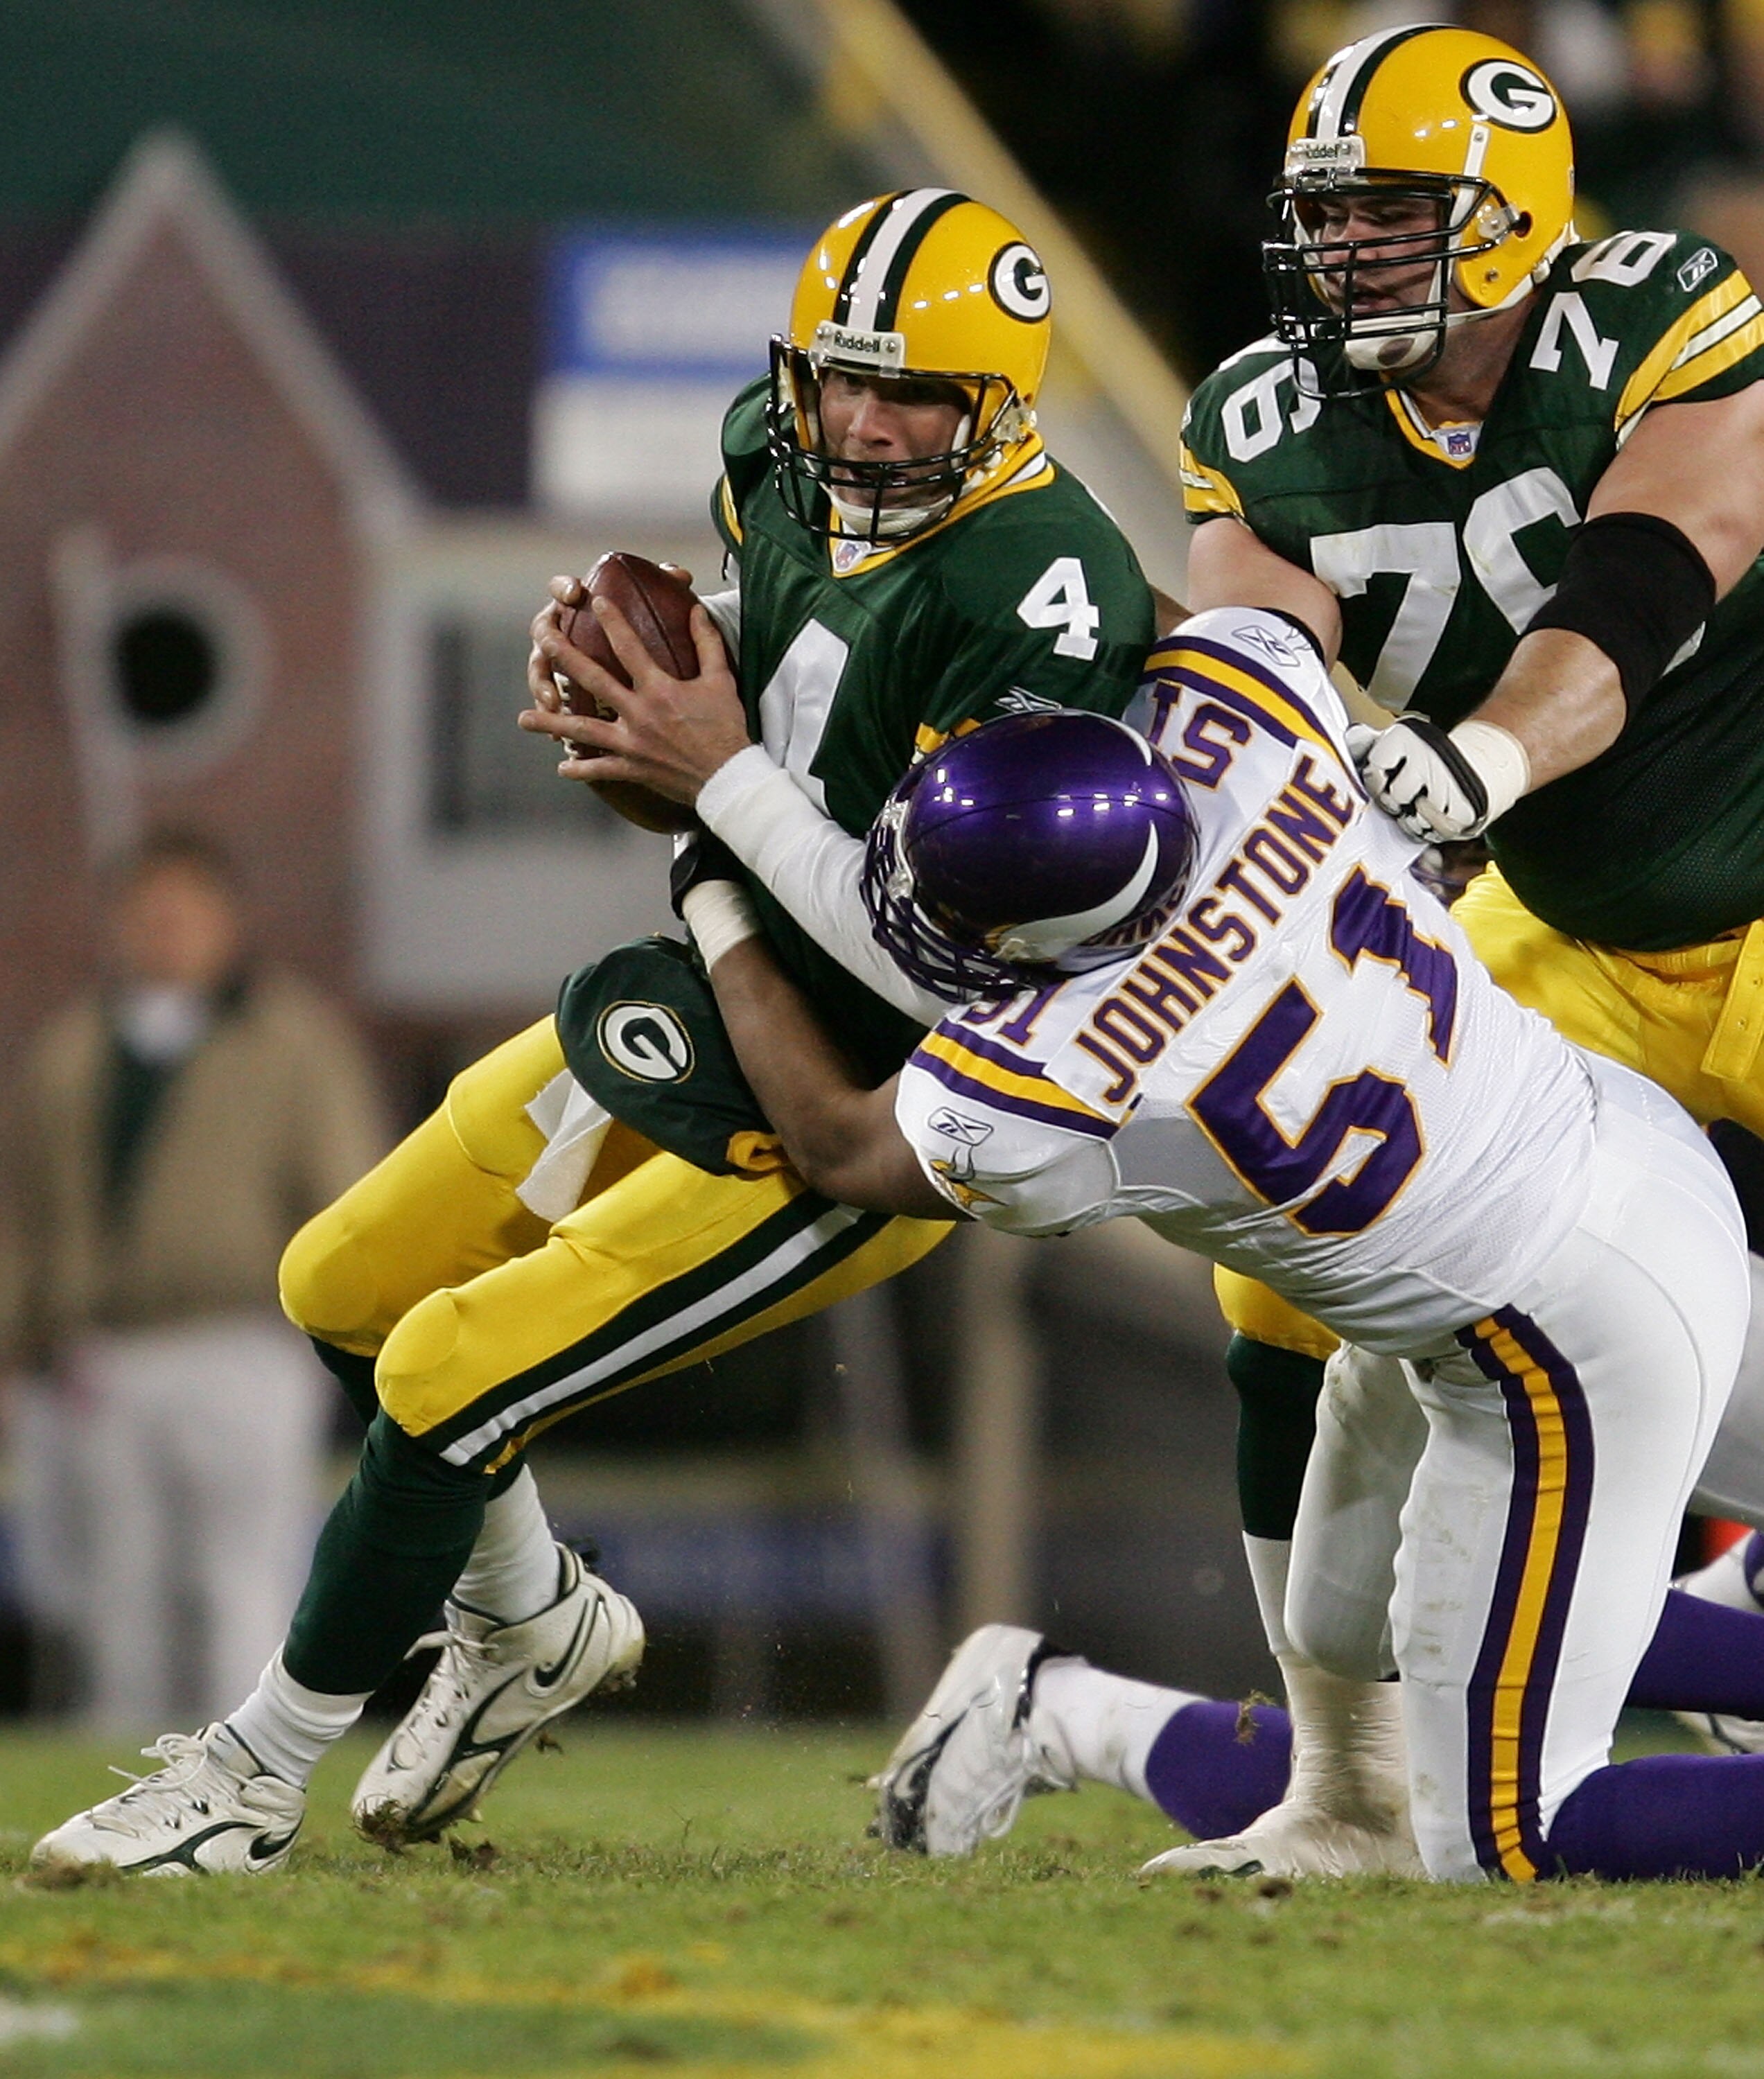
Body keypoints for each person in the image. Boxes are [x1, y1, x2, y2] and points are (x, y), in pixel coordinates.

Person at [28, 191, 1156, 1877]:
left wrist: (714, 789)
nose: (859, 421)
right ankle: (532, 1619)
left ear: (1002, 405)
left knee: (443, 1373)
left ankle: (254, 1780)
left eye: (911, 394)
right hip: (721, 972)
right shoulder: (770, 462)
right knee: (342, 1287)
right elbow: (742, 717)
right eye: (839, 378)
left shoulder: (1045, 595)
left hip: (862, 1091)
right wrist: (654, 710)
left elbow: (941, 966)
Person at [675, 615, 1764, 1883]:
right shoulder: (1252, 724)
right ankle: (1144, 1741)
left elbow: (844, 1146)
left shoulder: (1045, 1084)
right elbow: (1198, 627)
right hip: (1622, 1154)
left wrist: (714, 884)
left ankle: (1080, 1718)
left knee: (1500, 1837)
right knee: (1343, 1629)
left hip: (1563, 1331)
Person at [1164, 20, 1764, 1862]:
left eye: (1386, 216)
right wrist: (1291, 761)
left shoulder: (1658, 312)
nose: (1339, 252)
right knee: (1276, 1253)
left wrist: (1475, 757)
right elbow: (1245, 642)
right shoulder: (1261, 419)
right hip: (1565, 917)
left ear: (1504, 221)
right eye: (1323, 217)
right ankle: (1339, 1781)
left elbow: (1646, 580)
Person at [0, 833, 385, 1730]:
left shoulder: (291, 1041)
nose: (163, 932)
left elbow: (348, 1197)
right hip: (105, 1350)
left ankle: (243, 1769)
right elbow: (25, 1219)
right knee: (115, 1584)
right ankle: (123, 1781)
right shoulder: (69, 1053)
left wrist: (350, 1334)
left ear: (226, 920)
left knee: (241, 1576)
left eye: (182, 911)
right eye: (145, 913)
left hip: (242, 1338)